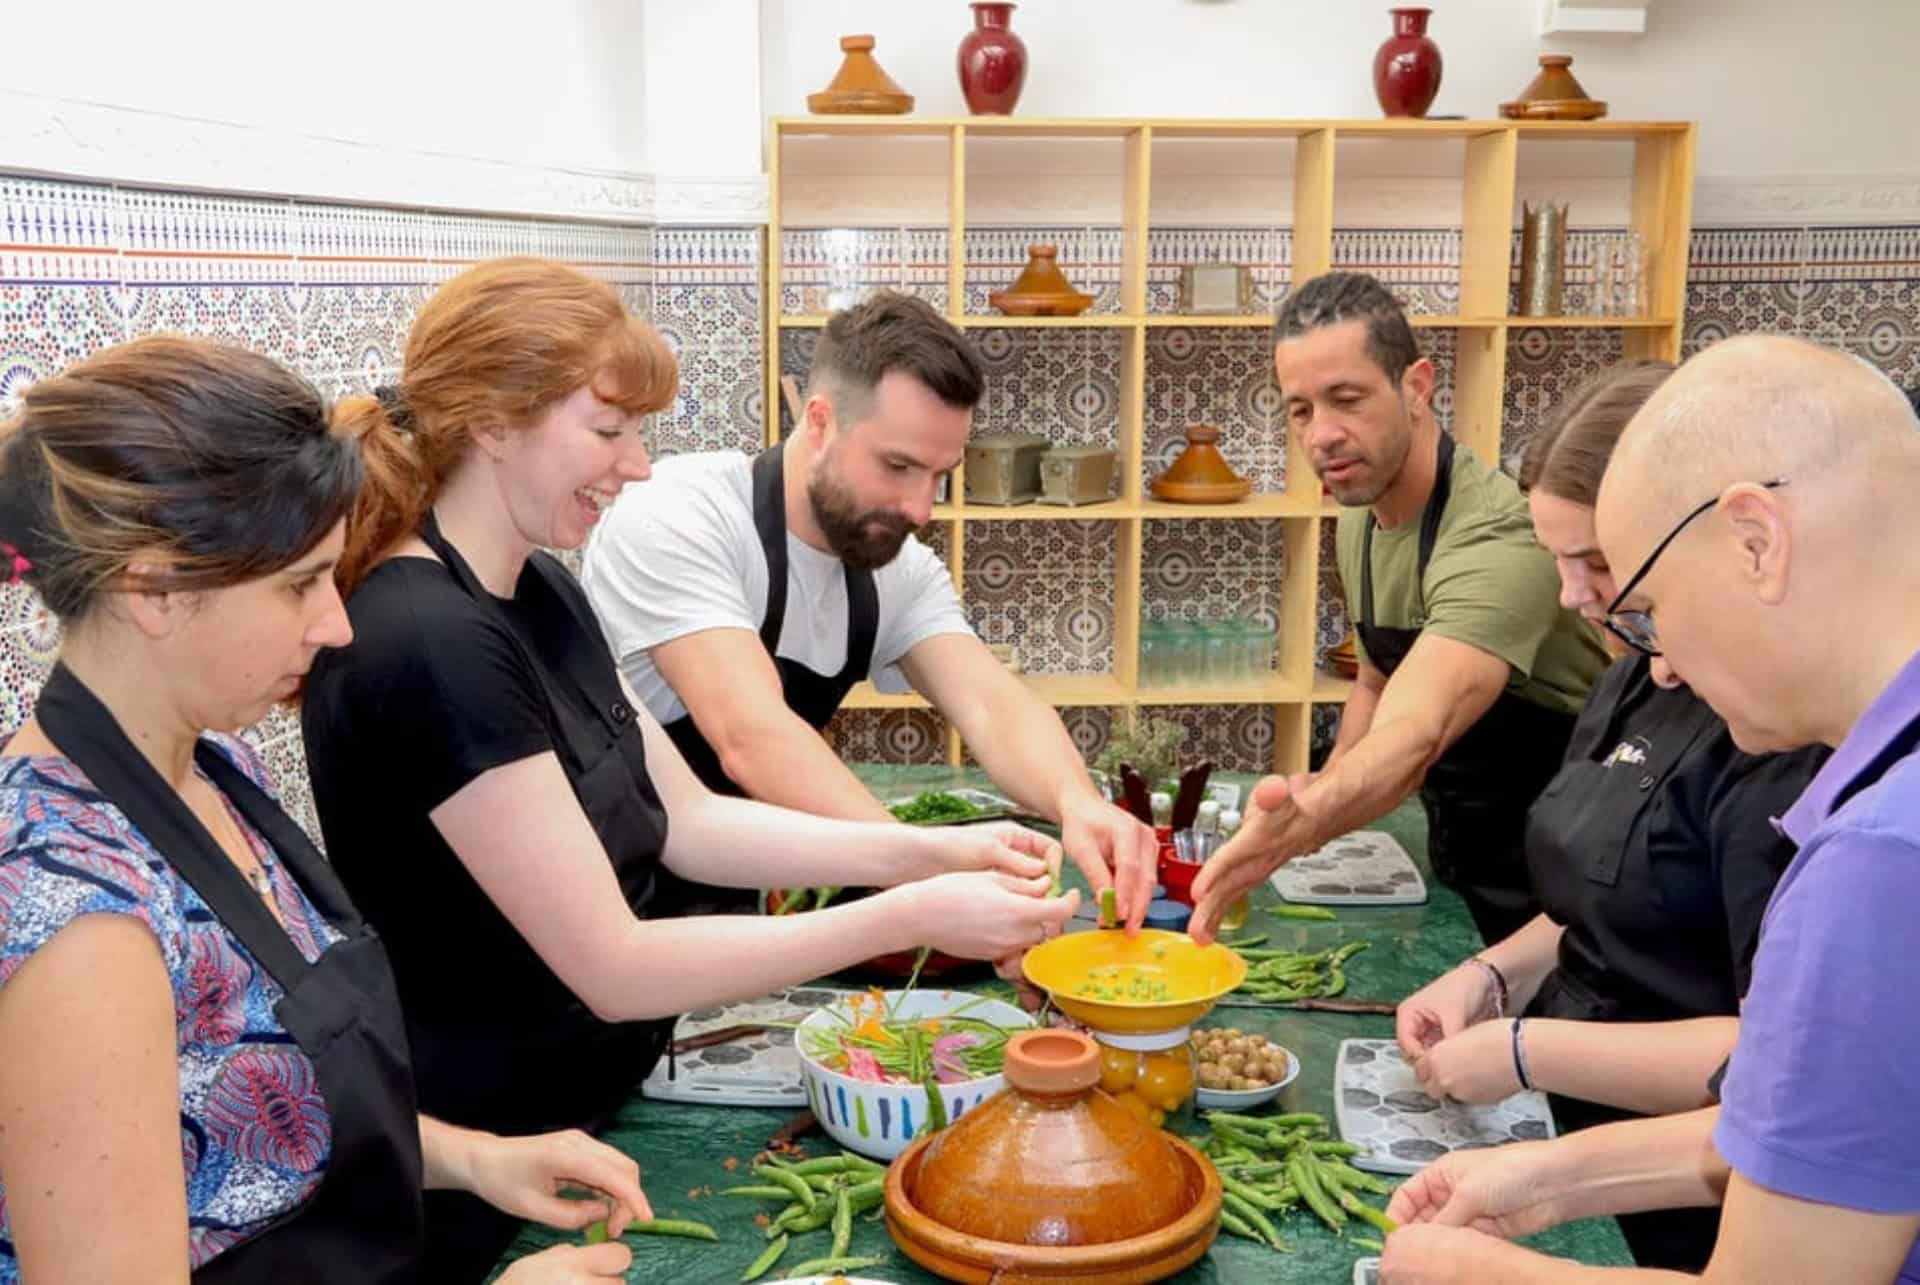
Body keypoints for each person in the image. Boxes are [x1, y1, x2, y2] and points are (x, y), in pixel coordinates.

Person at [300, 258, 1078, 1280]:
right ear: (493, 421)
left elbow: (687, 815)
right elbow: (613, 963)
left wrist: (929, 851)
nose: (635, 466)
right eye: (610, 430)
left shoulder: (535, 587)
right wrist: (912, 913)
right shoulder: (425, 641)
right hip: (491, 1163)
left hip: (588, 1109)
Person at [0, 338, 652, 1283]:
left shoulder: (212, 763)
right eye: (300, 583)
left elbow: (262, 1115)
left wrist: (477, 1158)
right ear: (154, 591)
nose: (337, 623)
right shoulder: (75, 917)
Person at [1382, 336, 1920, 1283]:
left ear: (1758, 540)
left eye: (1649, 607)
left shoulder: (1878, 862)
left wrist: (1472, 1273)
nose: (1658, 659)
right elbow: (1817, 1143)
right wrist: (1547, 1178)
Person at [579, 290, 1157, 926]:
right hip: (615, 896)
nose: (920, 509)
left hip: (742, 897)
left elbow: (992, 704)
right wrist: (921, 869)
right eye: (898, 465)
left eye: (939, 475)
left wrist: (1077, 802)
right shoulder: (681, 513)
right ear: (821, 422)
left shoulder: (894, 565)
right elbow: (751, 736)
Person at [1190, 272, 1609, 945]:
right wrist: (1320, 798)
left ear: (1416, 386)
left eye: (1346, 399)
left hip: (1558, 871)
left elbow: (1417, 731)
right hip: (1459, 853)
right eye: (1300, 409)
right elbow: (1378, 679)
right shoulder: (1359, 515)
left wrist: (1305, 821)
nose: (1322, 434)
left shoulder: (1498, 535)